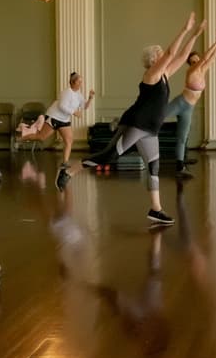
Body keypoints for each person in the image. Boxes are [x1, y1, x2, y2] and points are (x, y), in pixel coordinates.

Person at [83, 12, 206, 225]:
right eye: (159, 53)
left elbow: (182, 54)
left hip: (150, 128)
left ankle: (155, 210)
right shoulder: (151, 75)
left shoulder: (165, 75)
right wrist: (184, 29)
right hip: (137, 123)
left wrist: (196, 33)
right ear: (153, 59)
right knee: (109, 156)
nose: (163, 55)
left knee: (153, 166)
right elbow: (171, 52)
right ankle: (71, 170)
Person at [164, 31, 216, 179]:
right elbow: (205, 58)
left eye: (197, 61)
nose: (197, 63)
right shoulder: (191, 71)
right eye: (193, 62)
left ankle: (180, 164)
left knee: (182, 136)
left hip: (188, 108)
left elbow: (212, 57)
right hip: (180, 103)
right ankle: (123, 122)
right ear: (191, 64)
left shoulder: (202, 70)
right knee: (155, 116)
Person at [18, 72, 95, 177]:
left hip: (64, 120)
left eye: (81, 81)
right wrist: (74, 112)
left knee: (69, 140)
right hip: (54, 117)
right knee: (41, 137)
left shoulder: (79, 95)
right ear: (73, 82)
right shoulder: (66, 93)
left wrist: (90, 98)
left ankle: (65, 163)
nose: (81, 83)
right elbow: (62, 106)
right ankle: (22, 138)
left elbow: (85, 107)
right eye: (79, 81)